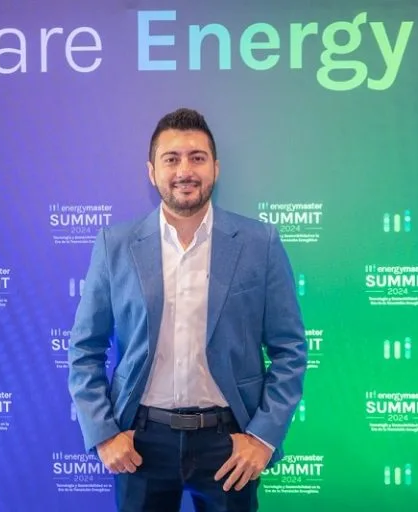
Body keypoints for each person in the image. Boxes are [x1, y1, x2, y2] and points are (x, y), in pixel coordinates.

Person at [68, 108, 307, 512]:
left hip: (229, 444)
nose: (185, 171)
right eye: (171, 159)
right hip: (140, 443)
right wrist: (104, 433)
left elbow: (290, 349)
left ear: (216, 167)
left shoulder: (259, 243)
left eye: (197, 157)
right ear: (152, 171)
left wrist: (263, 438)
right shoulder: (115, 245)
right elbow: (84, 348)